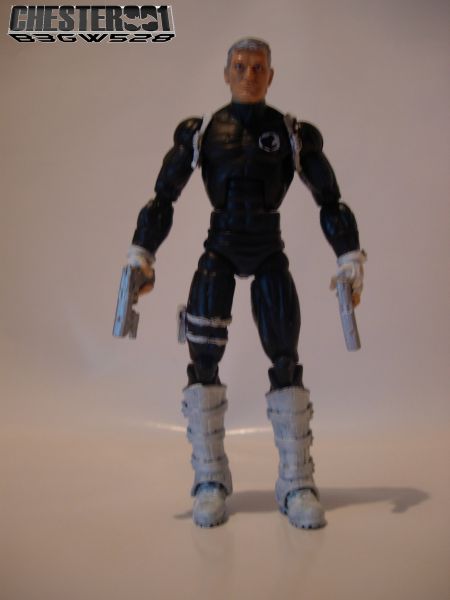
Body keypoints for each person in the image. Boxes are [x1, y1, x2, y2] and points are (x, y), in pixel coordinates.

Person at [124, 38, 365, 528]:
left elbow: (330, 199)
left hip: (268, 249)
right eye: (240, 66)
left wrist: (349, 258)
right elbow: (163, 197)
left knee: (285, 358)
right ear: (226, 73)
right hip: (220, 248)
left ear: (271, 75)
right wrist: (141, 256)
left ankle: (296, 481)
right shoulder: (204, 132)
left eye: (258, 68)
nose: (249, 75)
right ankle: (210, 479)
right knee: (203, 359)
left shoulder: (291, 133)